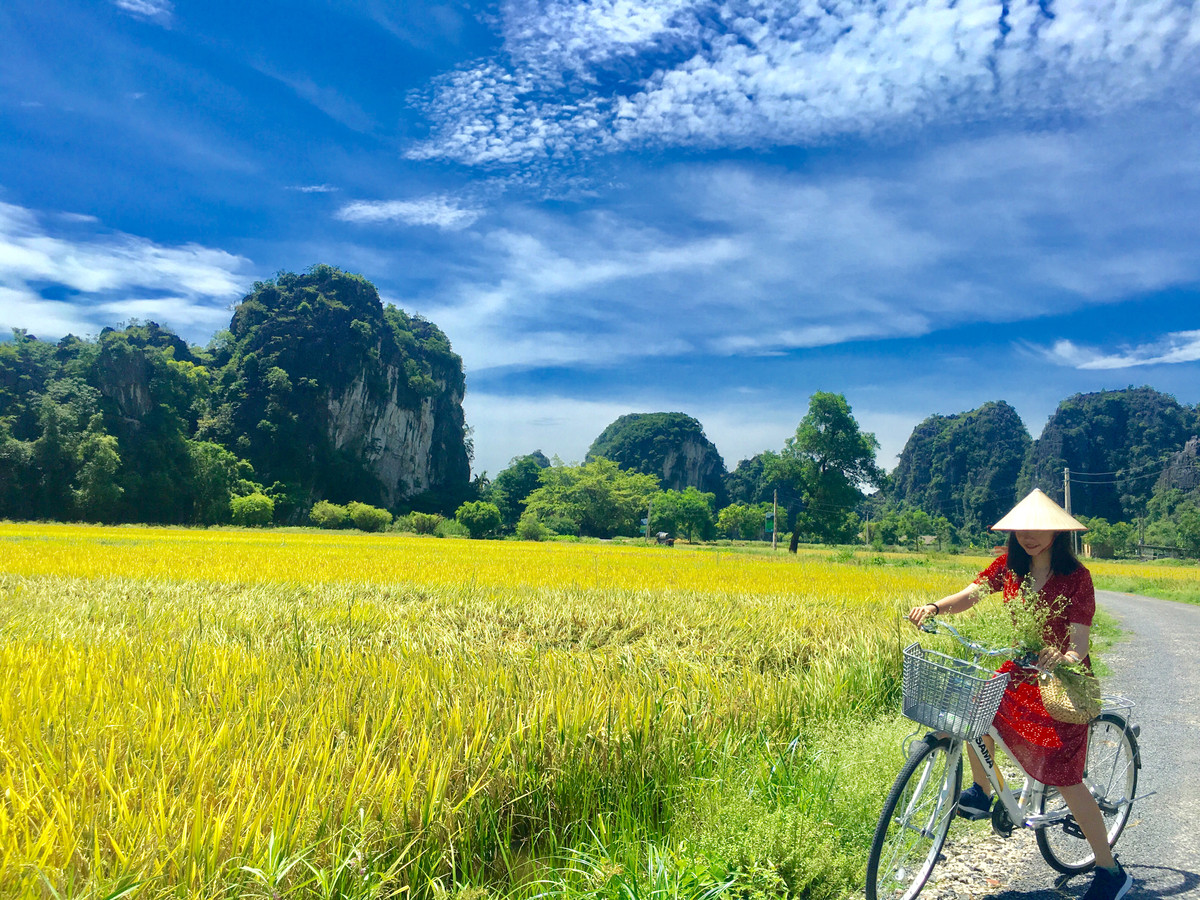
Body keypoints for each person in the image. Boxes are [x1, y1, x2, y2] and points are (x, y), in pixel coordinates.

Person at [907, 489, 1133, 900]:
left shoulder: (1077, 577)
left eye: (1037, 529)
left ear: (1056, 532)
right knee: (973, 709)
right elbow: (970, 595)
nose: (1028, 536)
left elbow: (1079, 645)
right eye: (1020, 529)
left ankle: (1109, 869)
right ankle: (982, 789)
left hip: (1062, 681)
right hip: (1019, 668)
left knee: (1065, 777)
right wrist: (934, 607)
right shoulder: (1009, 568)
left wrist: (1061, 656)